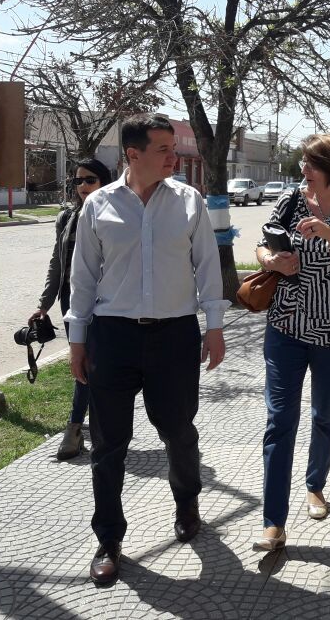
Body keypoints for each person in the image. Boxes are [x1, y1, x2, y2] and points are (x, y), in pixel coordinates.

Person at [65, 113, 228, 587]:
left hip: (173, 336)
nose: (174, 157)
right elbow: (83, 277)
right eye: (164, 149)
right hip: (112, 336)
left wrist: (214, 327)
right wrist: (77, 341)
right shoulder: (98, 205)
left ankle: (187, 501)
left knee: (178, 430)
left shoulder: (188, 201)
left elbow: (207, 267)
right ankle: (108, 538)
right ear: (133, 155)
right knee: (108, 443)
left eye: (173, 148)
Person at [253, 134, 330, 551]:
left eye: (312, 162)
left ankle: (315, 485)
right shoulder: (290, 200)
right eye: (304, 161)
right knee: (279, 420)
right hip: (285, 327)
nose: (303, 169)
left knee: (325, 415)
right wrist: (271, 259)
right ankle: (273, 521)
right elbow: (261, 244)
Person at [28, 157, 112, 461]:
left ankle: (86, 426)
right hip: (72, 299)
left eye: (90, 180)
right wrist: (44, 305)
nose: (83, 186)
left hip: (107, 300)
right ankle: (77, 427)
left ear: (104, 182)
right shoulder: (68, 217)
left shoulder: (116, 215)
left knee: (100, 362)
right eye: (78, 181)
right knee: (85, 361)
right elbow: (57, 262)